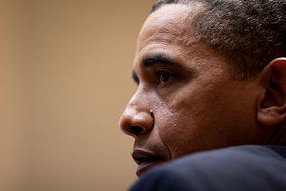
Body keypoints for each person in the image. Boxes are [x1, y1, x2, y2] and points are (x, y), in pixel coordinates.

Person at [119, 0, 286, 190]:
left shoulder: (180, 182)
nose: (128, 119)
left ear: (275, 92)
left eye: (164, 76)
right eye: (139, 83)